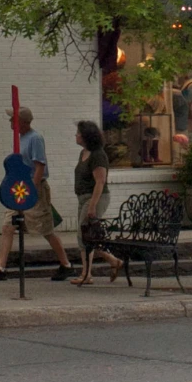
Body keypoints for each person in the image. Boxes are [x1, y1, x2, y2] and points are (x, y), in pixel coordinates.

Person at [0, 104, 72, 282]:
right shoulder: (20, 138)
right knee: (8, 226)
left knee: (46, 228)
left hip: (33, 187)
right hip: (19, 188)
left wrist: (33, 188)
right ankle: (0, 268)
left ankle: (66, 265)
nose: (10, 122)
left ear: (21, 122)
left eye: (12, 119)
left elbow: (39, 165)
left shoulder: (35, 138)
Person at [72, 118, 126, 286]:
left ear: (86, 136)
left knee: (84, 236)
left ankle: (86, 274)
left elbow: (100, 182)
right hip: (83, 197)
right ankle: (114, 261)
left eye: (79, 134)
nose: (76, 136)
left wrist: (93, 206)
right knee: (91, 236)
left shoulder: (98, 155)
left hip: (95, 197)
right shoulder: (83, 153)